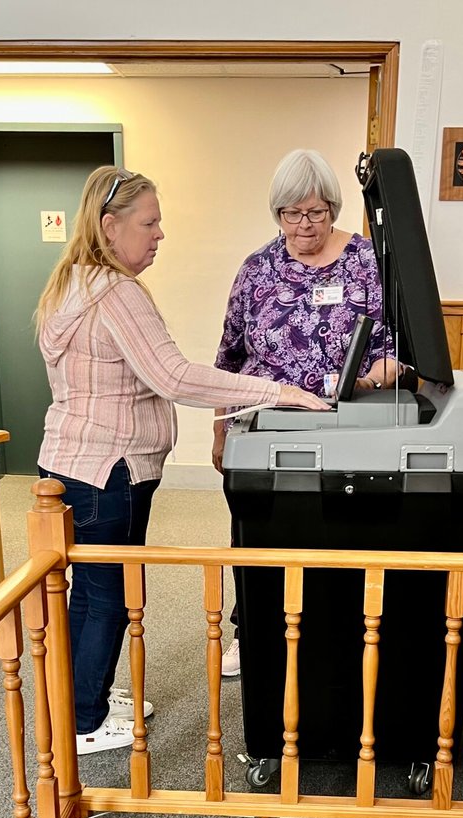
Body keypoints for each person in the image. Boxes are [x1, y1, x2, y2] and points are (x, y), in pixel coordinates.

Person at [35, 165, 328, 755]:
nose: (160, 234)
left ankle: (77, 701)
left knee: (88, 595)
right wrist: (280, 391)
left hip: (71, 462)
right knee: (110, 598)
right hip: (105, 472)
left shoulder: (73, 282)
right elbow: (173, 376)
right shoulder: (114, 292)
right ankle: (84, 721)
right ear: (110, 226)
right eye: (150, 222)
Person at [211, 149, 398, 677]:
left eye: (316, 212)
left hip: (344, 425)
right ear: (277, 214)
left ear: (333, 209)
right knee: (257, 532)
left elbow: (393, 350)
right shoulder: (256, 269)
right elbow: (228, 358)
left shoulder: (365, 261)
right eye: (290, 213)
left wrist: (364, 381)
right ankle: (248, 631)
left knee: (330, 530)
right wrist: (220, 431)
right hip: (265, 426)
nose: (304, 225)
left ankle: (328, 631)